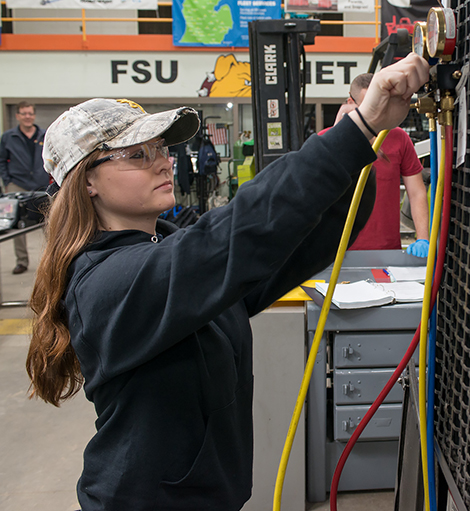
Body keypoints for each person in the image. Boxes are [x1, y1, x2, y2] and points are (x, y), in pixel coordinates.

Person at [26, 54, 429, 511]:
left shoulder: (170, 255)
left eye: (161, 149)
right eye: (138, 154)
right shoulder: (108, 283)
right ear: (87, 182)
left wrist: (360, 150)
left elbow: (281, 247)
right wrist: (351, 132)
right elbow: (237, 232)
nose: (163, 163)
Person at [319, 72, 430, 257]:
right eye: (368, 107)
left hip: (385, 252)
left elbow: (417, 192)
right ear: (350, 102)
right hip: (335, 254)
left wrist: (423, 238)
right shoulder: (326, 140)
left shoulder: (398, 138)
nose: (376, 113)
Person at [0, 101, 50, 274]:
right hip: (17, 185)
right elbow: (1, 161)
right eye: (23, 113)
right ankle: (22, 261)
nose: (27, 116)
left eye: (30, 113)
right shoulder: (8, 137)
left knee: (49, 223)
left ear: (34, 115)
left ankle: (51, 260)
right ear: (17, 116)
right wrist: (7, 182)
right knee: (18, 225)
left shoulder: (45, 135)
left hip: (41, 185)